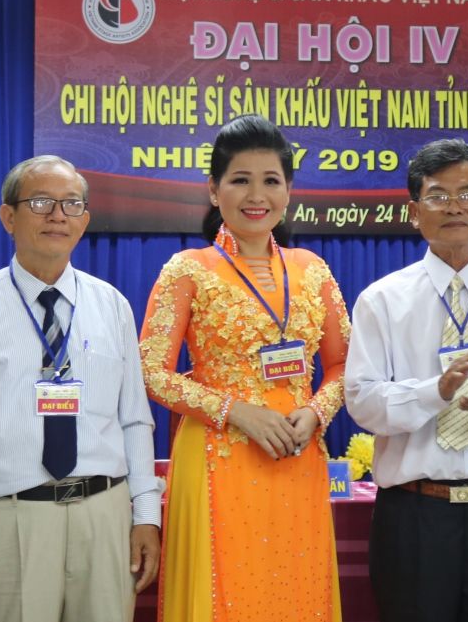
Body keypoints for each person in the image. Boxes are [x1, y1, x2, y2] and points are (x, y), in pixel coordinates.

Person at [0, 155, 161, 622]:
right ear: (8, 217)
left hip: (104, 515)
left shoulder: (112, 306)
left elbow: (135, 420)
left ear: (85, 220)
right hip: (12, 518)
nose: (57, 215)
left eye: (71, 204)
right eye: (40, 202)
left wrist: (146, 515)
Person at [140, 114, 350, 622]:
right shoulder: (188, 269)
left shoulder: (313, 269)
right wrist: (237, 412)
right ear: (214, 190)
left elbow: (345, 365)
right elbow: (150, 372)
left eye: (271, 180)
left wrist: (316, 413)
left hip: (296, 456)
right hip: (219, 455)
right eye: (240, 180)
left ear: (289, 191)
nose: (257, 195)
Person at [346, 138, 468, 622]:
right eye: (438, 196)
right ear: (414, 212)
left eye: (467, 194)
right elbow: (362, 400)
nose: (454, 207)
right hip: (414, 515)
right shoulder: (381, 300)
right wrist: (433, 392)